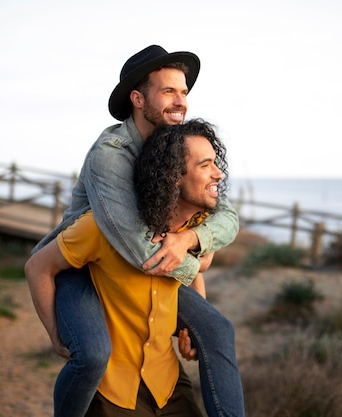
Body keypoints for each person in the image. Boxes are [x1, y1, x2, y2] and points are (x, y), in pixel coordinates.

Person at [31, 45, 245, 417]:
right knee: (93, 354)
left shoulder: (171, 147)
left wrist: (193, 238)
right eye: (168, 92)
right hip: (86, 265)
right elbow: (136, 246)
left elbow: (224, 213)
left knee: (216, 329)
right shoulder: (111, 153)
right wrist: (197, 264)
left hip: (148, 263)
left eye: (184, 92)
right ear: (137, 98)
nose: (181, 102)